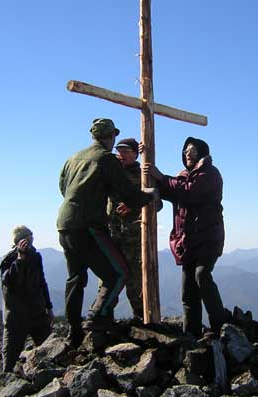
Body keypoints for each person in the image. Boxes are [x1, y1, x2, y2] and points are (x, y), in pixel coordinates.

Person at [57, 118, 158, 348]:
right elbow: (128, 195)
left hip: (65, 224)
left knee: (75, 278)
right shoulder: (106, 159)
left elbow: (63, 187)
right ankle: (98, 318)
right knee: (118, 273)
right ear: (111, 136)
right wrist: (150, 195)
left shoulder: (73, 158)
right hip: (89, 227)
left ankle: (74, 332)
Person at [143, 137, 228, 338]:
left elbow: (189, 191)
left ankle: (221, 327)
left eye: (192, 150)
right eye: (186, 150)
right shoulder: (182, 177)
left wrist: (161, 176)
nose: (188, 153)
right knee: (188, 291)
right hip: (188, 242)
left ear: (202, 153)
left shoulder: (210, 174)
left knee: (202, 275)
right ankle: (191, 334)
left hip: (208, 239)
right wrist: (143, 155)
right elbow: (171, 189)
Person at [0, 225, 54, 373]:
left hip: (37, 313)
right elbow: (11, 282)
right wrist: (20, 259)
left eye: (31, 237)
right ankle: (8, 380)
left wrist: (49, 307)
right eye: (27, 238)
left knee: (52, 352)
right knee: (9, 364)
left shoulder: (36, 257)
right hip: (16, 318)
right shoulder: (9, 260)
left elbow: (42, 283)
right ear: (18, 241)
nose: (30, 241)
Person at [107, 138, 144, 320]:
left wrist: (133, 205)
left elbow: (156, 202)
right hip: (111, 235)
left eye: (126, 151)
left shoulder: (143, 175)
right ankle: (104, 318)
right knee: (109, 277)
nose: (121, 154)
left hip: (132, 238)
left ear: (136, 154)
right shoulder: (111, 172)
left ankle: (141, 316)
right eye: (119, 150)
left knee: (134, 280)